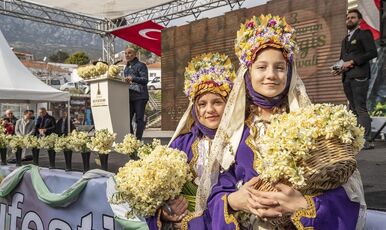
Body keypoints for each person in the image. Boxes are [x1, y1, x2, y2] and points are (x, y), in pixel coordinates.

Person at [196, 14, 366, 229]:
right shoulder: (237, 129)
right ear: (248, 73)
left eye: (279, 67)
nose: (271, 75)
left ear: (290, 72)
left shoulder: (310, 124)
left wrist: (304, 205)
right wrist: (232, 201)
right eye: (261, 67)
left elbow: (343, 185)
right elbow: (219, 185)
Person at [146, 53, 236, 229]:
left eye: (217, 102)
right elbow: (155, 194)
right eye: (202, 104)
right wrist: (164, 213)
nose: (209, 110)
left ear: (229, 104)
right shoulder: (182, 144)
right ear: (194, 109)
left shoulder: (240, 141)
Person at [333, 9, 377, 149]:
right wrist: (338, 69)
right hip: (347, 77)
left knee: (360, 108)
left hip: (359, 76)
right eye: (348, 18)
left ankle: (367, 140)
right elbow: (342, 59)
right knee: (352, 109)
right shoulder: (344, 40)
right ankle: (355, 139)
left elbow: (372, 52)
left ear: (360, 20)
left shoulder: (364, 34)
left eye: (353, 17)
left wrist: (352, 62)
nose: (349, 20)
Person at [124, 47, 149, 140]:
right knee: (127, 119)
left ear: (135, 54)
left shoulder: (141, 65)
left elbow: (145, 80)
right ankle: (130, 140)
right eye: (126, 53)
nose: (127, 55)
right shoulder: (126, 68)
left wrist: (133, 78)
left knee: (139, 119)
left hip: (140, 96)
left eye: (129, 53)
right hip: (129, 96)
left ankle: (138, 139)